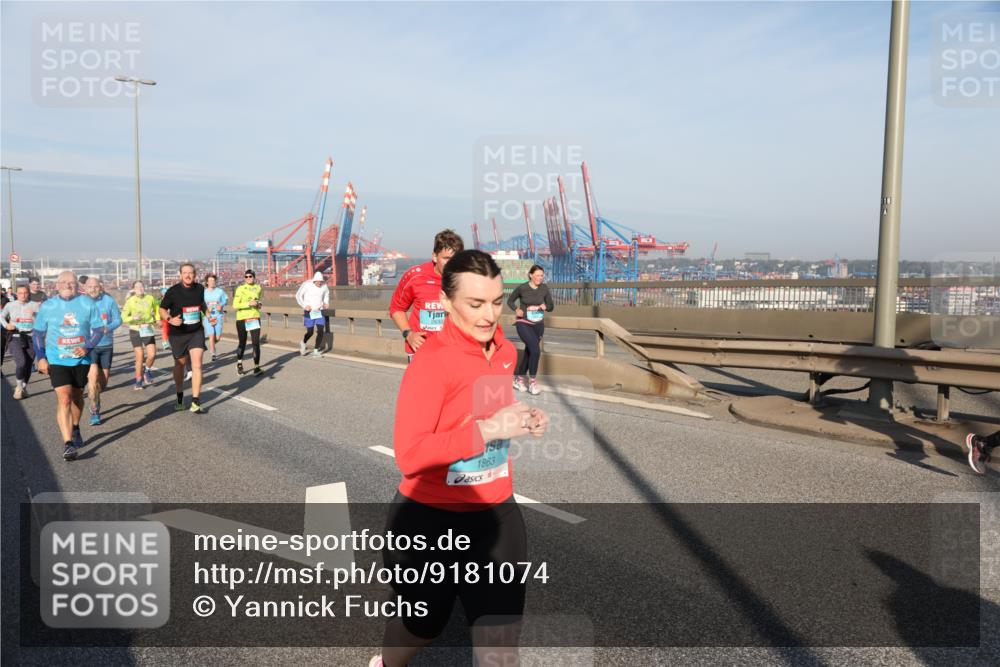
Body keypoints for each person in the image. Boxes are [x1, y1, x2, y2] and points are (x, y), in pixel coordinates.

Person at [373, 250, 550, 667]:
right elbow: (411, 455)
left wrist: (522, 417)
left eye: (496, 301)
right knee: (423, 625)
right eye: (475, 303)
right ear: (447, 302)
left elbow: (483, 412)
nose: (489, 315)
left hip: (496, 511)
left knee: (500, 636)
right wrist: (487, 430)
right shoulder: (432, 361)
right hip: (430, 519)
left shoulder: (505, 352)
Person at [32, 271, 106, 460]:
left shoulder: (87, 303)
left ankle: (75, 426)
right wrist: (41, 357)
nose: (67, 285)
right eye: (63, 282)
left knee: (77, 397)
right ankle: (68, 444)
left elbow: (99, 330)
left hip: (81, 359)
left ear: (77, 286)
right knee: (64, 398)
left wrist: (87, 346)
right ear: (56, 285)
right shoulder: (48, 306)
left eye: (71, 282)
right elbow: (38, 334)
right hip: (57, 359)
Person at [389, 229, 464, 362]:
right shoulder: (415, 276)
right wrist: (408, 334)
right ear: (434, 256)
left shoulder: (467, 279)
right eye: (446, 259)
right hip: (421, 351)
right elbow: (396, 309)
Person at [159, 263, 207, 413]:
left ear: (195, 275)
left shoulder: (200, 288)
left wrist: (209, 315)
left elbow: (202, 304)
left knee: (197, 365)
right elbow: (162, 309)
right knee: (179, 365)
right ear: (180, 275)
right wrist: (170, 319)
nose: (188, 275)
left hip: (196, 332)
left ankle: (195, 401)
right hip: (178, 334)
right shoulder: (173, 291)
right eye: (185, 273)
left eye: (190, 273)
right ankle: (179, 395)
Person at [507, 264, 555, 395]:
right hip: (523, 322)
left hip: (538, 325)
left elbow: (551, 306)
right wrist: (517, 309)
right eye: (537, 275)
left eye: (542, 276)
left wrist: (546, 306)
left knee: (530, 352)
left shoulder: (544, 288)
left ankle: (519, 378)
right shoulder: (522, 288)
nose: (540, 278)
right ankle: (532, 382)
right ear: (530, 275)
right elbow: (510, 301)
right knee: (535, 350)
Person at [82, 277, 122, 425]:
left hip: (106, 346)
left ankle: (96, 396)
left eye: (95, 286)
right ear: (85, 288)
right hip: (90, 346)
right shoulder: (80, 302)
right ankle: (94, 410)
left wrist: (107, 328)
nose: (93, 289)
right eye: (90, 287)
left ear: (100, 287)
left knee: (102, 384)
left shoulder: (108, 301)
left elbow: (118, 320)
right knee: (92, 379)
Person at [1, 284, 41, 399]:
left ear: (28, 293)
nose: (23, 295)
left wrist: (35, 314)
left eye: (25, 293)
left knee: (28, 364)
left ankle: (23, 387)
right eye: (20, 293)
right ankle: (19, 387)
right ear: (16, 294)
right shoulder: (10, 305)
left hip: (31, 336)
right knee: (21, 362)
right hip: (15, 335)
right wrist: (6, 325)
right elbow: (1, 316)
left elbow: (42, 320)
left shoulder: (35, 305)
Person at [121, 280, 159, 391]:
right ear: (133, 289)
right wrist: (133, 318)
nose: (140, 288)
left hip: (147, 329)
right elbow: (123, 317)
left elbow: (157, 309)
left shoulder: (150, 298)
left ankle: (146, 370)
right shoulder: (130, 301)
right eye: (137, 287)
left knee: (152, 354)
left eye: (141, 286)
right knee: (140, 356)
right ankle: (138, 380)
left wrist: (157, 319)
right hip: (135, 330)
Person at [232, 269, 263, 376]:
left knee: (256, 343)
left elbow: (258, 301)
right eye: (246, 276)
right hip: (242, 319)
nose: (248, 278)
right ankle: (239, 364)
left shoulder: (258, 288)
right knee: (242, 342)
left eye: (250, 276)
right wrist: (249, 304)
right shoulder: (240, 289)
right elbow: (235, 305)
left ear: (254, 277)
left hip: (254, 318)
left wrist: (258, 304)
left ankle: (256, 367)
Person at [295, 272, 329, 357]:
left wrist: (326, 302)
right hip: (309, 311)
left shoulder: (324, 286)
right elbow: (298, 295)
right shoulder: (307, 284)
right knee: (310, 332)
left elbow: (326, 295)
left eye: (321, 281)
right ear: (314, 280)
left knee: (320, 330)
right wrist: (304, 306)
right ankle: (303, 343)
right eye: (318, 281)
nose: (320, 283)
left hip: (319, 311)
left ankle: (316, 351)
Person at [202, 274, 228, 362]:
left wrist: (221, 305)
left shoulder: (220, 291)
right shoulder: (204, 292)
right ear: (207, 282)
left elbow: (225, 300)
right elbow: (200, 303)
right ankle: (213, 353)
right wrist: (206, 308)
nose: (212, 282)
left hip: (218, 316)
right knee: (211, 335)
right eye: (210, 281)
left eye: (213, 281)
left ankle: (212, 345)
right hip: (208, 317)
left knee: (217, 338)